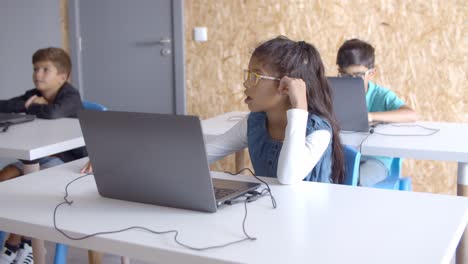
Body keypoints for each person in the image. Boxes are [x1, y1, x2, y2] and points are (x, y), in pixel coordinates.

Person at [83, 36, 345, 185]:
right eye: (247, 74)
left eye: (255, 76)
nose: (245, 83)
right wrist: (121, 158)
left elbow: (287, 178)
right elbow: (200, 153)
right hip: (271, 217)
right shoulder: (255, 122)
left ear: (285, 87)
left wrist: (299, 108)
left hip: (311, 227)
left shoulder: (317, 131)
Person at [0, 47, 86, 264]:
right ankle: (22, 243)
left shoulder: (71, 95)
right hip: (38, 157)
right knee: (5, 178)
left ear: (62, 77)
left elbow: (55, 112)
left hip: (68, 162)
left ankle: (17, 243)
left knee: (25, 188)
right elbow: (3, 106)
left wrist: (35, 108)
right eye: (35, 69)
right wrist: (28, 104)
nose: (38, 74)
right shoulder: (35, 95)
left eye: (45, 69)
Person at [336, 38, 418, 186]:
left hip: (376, 159)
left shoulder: (381, 95)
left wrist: (371, 116)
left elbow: (411, 114)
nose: (352, 81)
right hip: (344, 155)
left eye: (358, 75)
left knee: (355, 180)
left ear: (371, 73)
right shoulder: (336, 91)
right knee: (326, 176)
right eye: (346, 76)